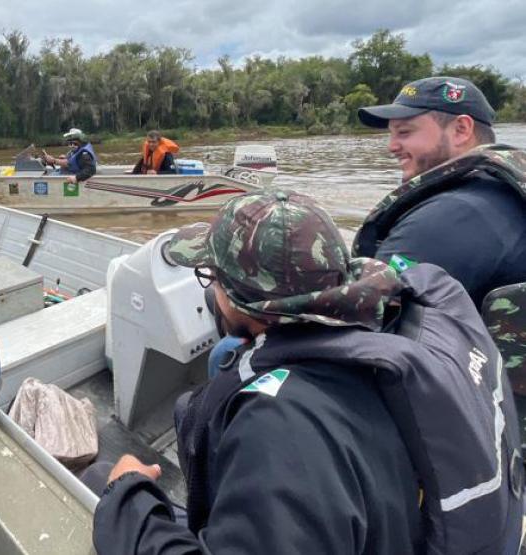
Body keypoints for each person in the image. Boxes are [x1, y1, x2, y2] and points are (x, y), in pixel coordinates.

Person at [91, 190, 427, 553]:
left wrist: (128, 496)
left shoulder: (275, 425)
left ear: (246, 302)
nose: (211, 292)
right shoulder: (373, 339)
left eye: (212, 278)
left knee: (100, 482)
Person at [354, 76, 526, 308]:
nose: (391, 146)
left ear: (461, 130)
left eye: (404, 132)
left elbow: (361, 316)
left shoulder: (450, 216)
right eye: (391, 134)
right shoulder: (500, 192)